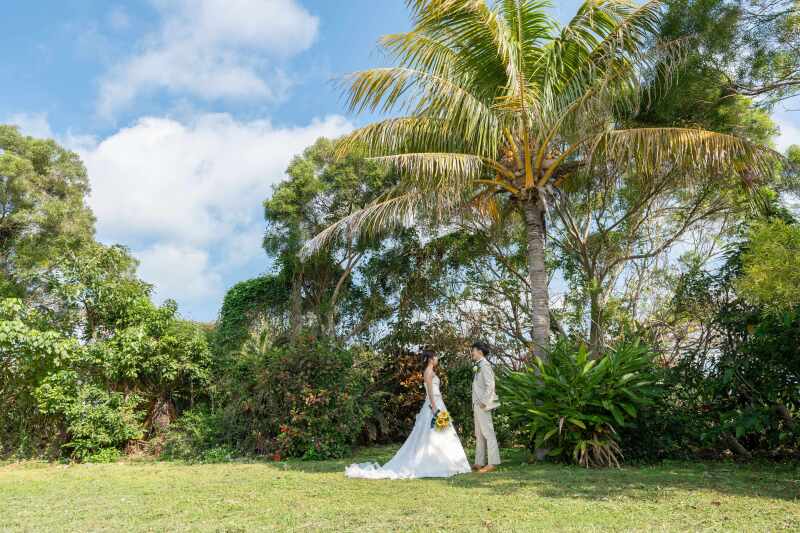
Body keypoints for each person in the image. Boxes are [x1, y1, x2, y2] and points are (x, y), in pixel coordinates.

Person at [345, 349, 472, 479]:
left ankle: (448, 461)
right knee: (432, 432)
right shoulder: (428, 372)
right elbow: (429, 391)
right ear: (431, 359)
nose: (437, 359)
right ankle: (433, 462)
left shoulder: (432, 372)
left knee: (443, 432)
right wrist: (434, 408)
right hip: (434, 404)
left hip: (439, 403)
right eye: (436, 357)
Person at [471, 341, 501, 473]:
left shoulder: (485, 365)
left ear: (479, 352)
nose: (472, 352)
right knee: (479, 434)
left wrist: (484, 401)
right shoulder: (478, 365)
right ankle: (479, 462)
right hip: (476, 404)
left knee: (488, 433)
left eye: (473, 350)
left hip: (483, 404)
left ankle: (492, 463)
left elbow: (491, 385)